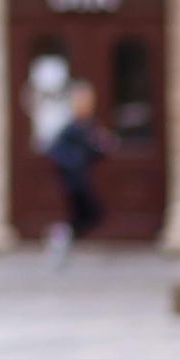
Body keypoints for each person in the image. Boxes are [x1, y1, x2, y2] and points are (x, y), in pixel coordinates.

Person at [44, 79, 112, 266]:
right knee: (86, 213)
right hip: (74, 179)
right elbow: (56, 150)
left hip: (81, 177)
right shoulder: (72, 127)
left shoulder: (88, 126)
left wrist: (103, 146)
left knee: (87, 215)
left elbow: (94, 151)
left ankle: (62, 239)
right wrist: (75, 161)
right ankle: (61, 237)